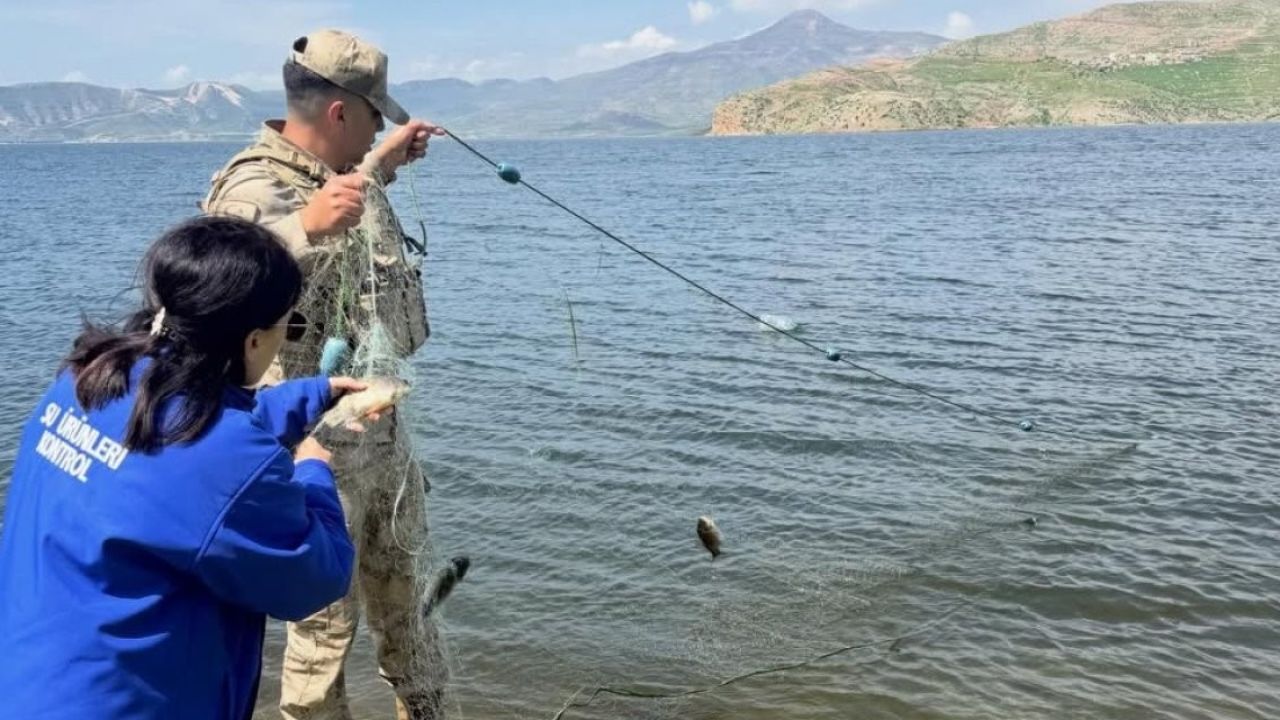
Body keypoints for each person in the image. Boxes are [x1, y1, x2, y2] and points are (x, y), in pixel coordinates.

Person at [0, 216, 360, 720]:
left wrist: (316, 394)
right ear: (254, 340)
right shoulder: (224, 457)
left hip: (30, 680)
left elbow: (182, 444)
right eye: (287, 324)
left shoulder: (92, 376)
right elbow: (314, 576)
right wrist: (314, 470)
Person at [201, 29, 446, 720]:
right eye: (373, 119)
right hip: (312, 452)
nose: (377, 132)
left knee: (414, 616)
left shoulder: (337, 177)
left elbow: (351, 229)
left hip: (382, 441)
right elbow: (211, 291)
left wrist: (379, 169)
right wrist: (302, 227)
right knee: (322, 636)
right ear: (340, 113)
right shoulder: (250, 187)